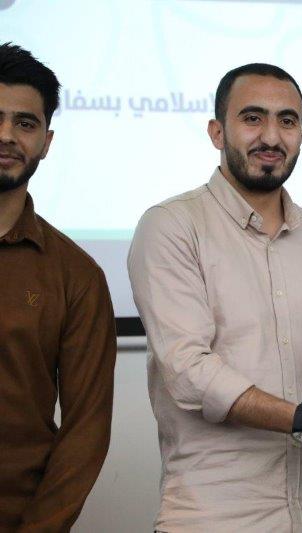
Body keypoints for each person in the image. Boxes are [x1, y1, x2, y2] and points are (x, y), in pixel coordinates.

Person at [128, 63, 302, 532]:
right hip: (215, 511)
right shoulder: (171, 226)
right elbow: (187, 370)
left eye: (287, 121)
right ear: (216, 131)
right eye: (252, 118)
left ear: (301, 135)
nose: (271, 136)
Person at [0, 42, 117, 531]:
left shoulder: (77, 277)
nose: (6, 135)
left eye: (25, 123)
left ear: (46, 142)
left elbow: (86, 431)